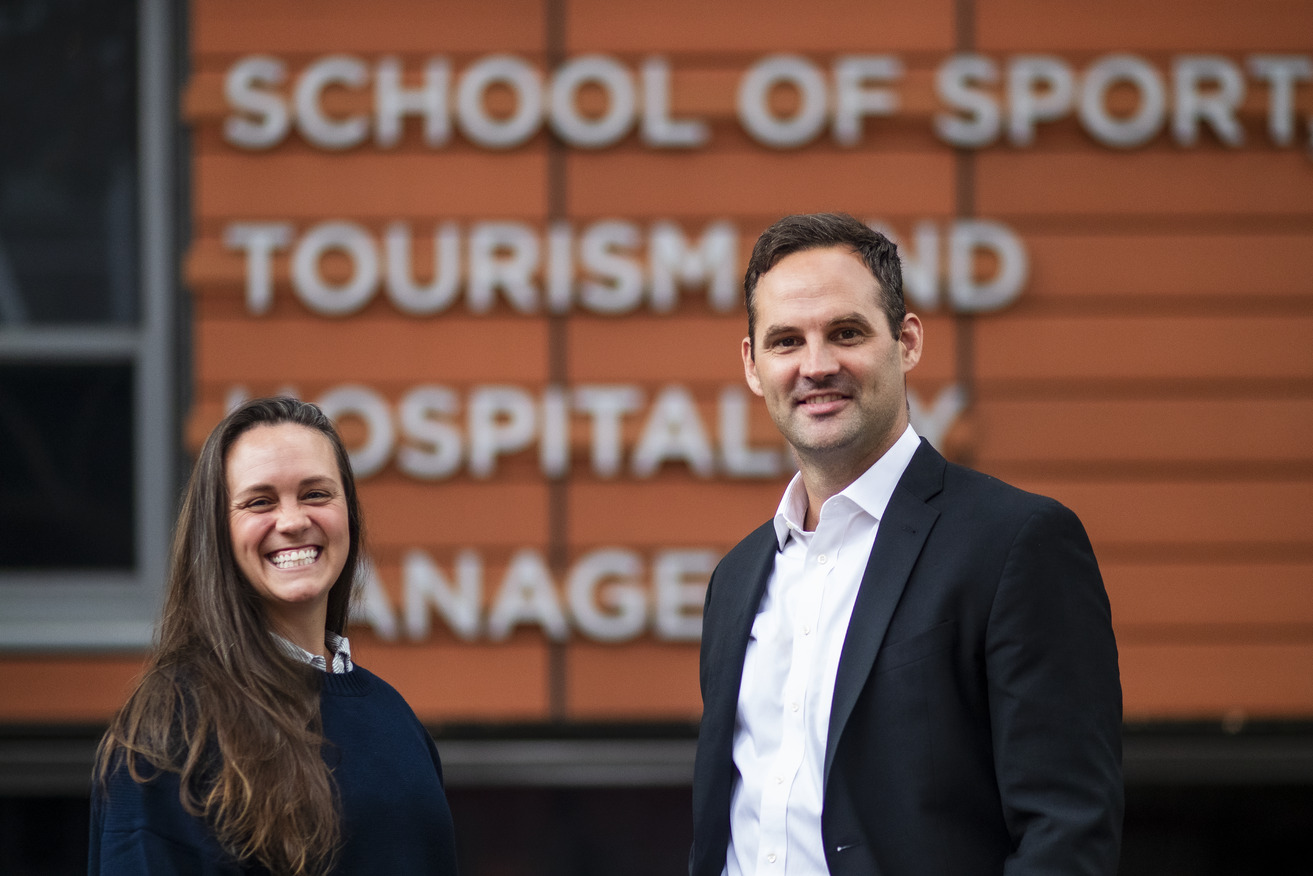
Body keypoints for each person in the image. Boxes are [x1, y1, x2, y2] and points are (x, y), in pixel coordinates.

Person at [690, 213, 1122, 876]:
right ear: (752, 366)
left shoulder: (1016, 544)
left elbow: (1065, 834)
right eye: (785, 341)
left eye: (845, 332)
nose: (816, 365)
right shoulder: (737, 579)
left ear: (907, 341)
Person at [90, 397, 458, 875]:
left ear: (349, 512)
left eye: (316, 494)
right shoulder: (172, 727)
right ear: (217, 532)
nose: (292, 521)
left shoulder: (393, 716)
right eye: (259, 501)